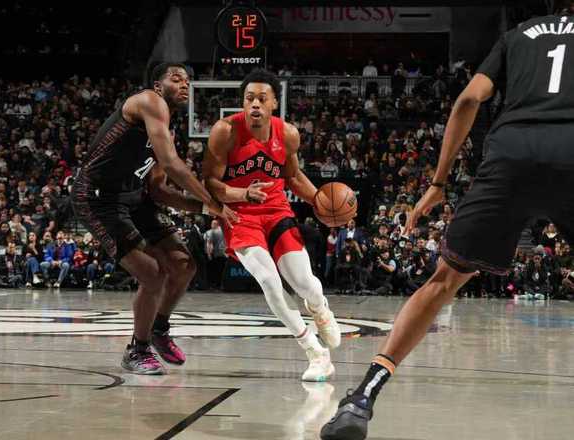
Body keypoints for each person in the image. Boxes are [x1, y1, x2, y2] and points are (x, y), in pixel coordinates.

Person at [322, 4, 574, 439]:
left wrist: (438, 183)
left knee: (443, 282)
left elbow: (469, 99)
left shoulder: (518, 35)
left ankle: (361, 400)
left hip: (511, 155)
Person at [70, 62, 236, 375]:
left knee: (183, 265)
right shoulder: (149, 101)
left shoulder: (165, 129)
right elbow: (172, 165)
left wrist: (204, 209)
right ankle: (137, 350)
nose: (184, 84)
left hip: (134, 197)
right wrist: (212, 202)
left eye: (187, 80)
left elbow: (159, 190)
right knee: (152, 273)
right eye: (176, 79)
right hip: (98, 198)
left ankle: (158, 329)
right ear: (158, 86)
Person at [203, 69, 341, 382]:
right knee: (268, 280)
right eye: (249, 98)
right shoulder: (225, 132)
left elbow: (293, 176)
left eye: (262, 98)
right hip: (240, 214)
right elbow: (210, 182)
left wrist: (321, 201)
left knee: (304, 282)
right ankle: (315, 352)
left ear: (274, 103)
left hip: (277, 209)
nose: (255, 104)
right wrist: (242, 194)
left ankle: (320, 308)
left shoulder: (288, 134)